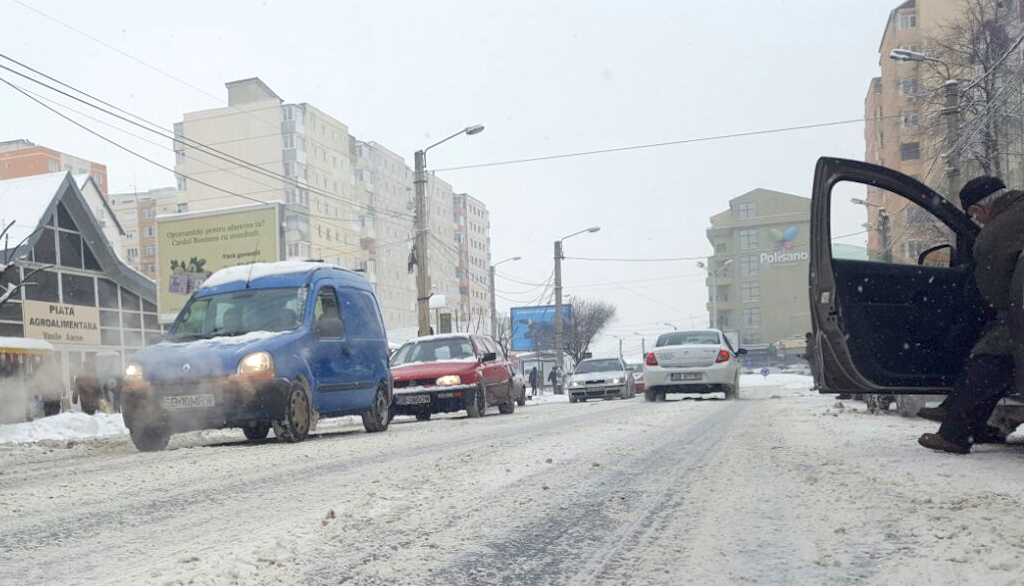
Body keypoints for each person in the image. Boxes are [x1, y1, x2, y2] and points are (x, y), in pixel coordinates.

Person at [919, 176, 1024, 454]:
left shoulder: (995, 234)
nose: (976, 220)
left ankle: (955, 433)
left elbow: (994, 289)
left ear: (979, 209)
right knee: (1000, 366)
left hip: (1019, 313)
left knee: (988, 360)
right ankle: (970, 426)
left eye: (973, 214)